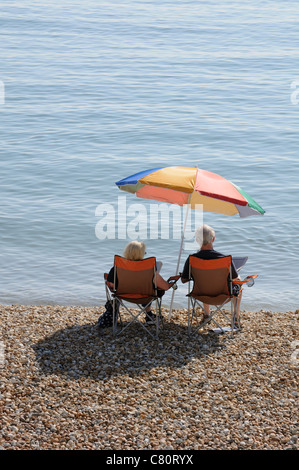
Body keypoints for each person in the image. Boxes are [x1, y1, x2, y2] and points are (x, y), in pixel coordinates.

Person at [97, 241, 175, 328]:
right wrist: (171, 284)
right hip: (146, 296)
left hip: (123, 296)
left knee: (147, 289)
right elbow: (165, 287)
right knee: (153, 289)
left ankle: (149, 315)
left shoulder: (117, 268)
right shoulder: (149, 269)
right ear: (141, 254)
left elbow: (111, 284)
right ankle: (149, 316)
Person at [181, 224, 242, 321]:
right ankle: (236, 316)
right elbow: (234, 278)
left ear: (197, 240)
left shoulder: (192, 259)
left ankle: (206, 314)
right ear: (213, 239)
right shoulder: (225, 259)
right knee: (239, 280)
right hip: (224, 296)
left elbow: (184, 280)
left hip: (201, 295)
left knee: (205, 280)